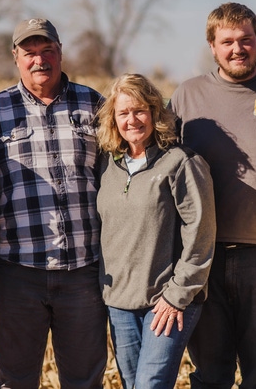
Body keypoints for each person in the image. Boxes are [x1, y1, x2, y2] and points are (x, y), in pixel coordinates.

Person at [0, 18, 108, 388]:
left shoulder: (94, 105)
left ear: (60, 52)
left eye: (47, 50)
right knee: (13, 380)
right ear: (15, 58)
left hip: (84, 270)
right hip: (17, 271)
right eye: (29, 52)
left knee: (84, 380)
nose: (39, 60)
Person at [168, 2, 256, 389]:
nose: (237, 49)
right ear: (212, 46)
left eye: (246, 40)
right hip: (202, 256)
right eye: (227, 42)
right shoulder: (187, 96)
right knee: (210, 372)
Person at [95, 73, 216, 389]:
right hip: (120, 303)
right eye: (123, 113)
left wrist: (178, 295)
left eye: (140, 111)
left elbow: (201, 231)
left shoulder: (181, 163)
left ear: (154, 113)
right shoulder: (107, 165)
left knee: (150, 385)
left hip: (166, 301)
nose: (132, 120)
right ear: (113, 119)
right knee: (134, 384)